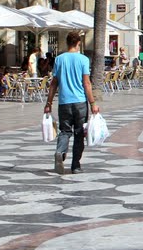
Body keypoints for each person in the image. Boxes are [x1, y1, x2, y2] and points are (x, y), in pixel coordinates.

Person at [43, 31, 100, 175]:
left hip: (64, 102)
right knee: (79, 133)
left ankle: (60, 151)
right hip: (80, 102)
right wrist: (92, 103)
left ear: (67, 42)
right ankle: (75, 165)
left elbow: (54, 83)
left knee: (65, 131)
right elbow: (86, 83)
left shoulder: (59, 59)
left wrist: (48, 102)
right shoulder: (83, 60)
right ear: (78, 43)